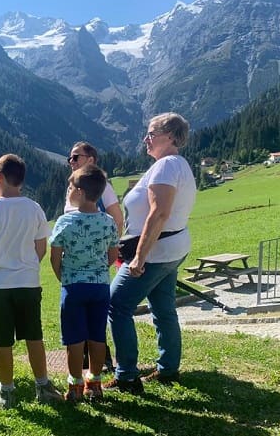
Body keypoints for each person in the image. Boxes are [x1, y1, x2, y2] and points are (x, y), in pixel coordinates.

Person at [103, 112, 196, 394]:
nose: (146, 138)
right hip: (172, 249)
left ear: (170, 137)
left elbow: (159, 213)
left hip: (155, 252)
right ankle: (168, 369)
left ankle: (127, 375)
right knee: (163, 308)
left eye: (151, 133)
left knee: (116, 304)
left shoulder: (166, 166)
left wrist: (139, 257)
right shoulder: (175, 164)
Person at [0, 154, 63, 409]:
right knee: (34, 335)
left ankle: (7, 391)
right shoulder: (33, 207)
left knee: (2, 340)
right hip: (28, 282)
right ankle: (43, 385)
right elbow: (41, 248)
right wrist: (27, 266)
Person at [50, 164, 119, 403]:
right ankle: (95, 382)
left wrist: (65, 277)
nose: (68, 191)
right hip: (100, 287)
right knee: (97, 337)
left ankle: (75, 385)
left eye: (70, 187)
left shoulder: (64, 222)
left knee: (74, 339)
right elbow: (112, 254)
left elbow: (55, 257)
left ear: (79, 191)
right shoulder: (108, 221)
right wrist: (99, 270)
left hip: (73, 287)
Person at [64, 141, 121, 371]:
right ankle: (89, 362)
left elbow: (117, 217)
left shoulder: (101, 185)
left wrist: (109, 251)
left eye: (76, 157)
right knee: (86, 314)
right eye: (70, 158)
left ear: (91, 159)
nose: (71, 161)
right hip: (76, 262)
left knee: (91, 315)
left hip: (92, 261)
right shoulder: (74, 186)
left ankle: (102, 361)